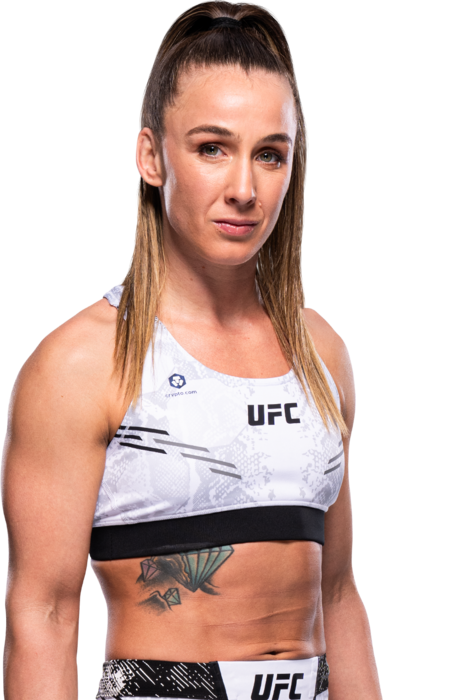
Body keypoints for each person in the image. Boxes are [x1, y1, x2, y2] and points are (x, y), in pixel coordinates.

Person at [1, 2, 382, 699]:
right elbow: (45, 614)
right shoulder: (82, 363)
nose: (244, 190)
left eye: (270, 154)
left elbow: (336, 593)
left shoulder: (321, 350)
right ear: (151, 156)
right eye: (212, 148)